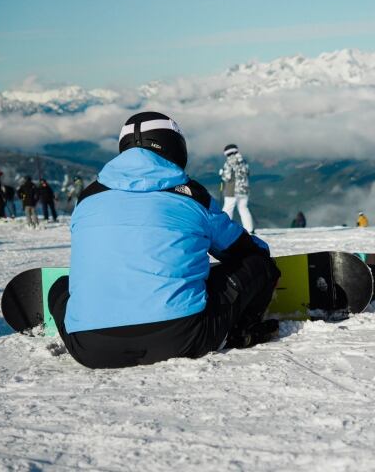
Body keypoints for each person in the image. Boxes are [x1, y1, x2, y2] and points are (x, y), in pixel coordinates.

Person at [47, 111, 281, 369]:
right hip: (183, 336)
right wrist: (262, 261)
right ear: (175, 147)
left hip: (91, 347)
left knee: (60, 286)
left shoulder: (87, 198)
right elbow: (240, 249)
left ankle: (89, 310)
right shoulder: (193, 196)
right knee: (257, 264)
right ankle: (239, 330)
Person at [219, 144, 254, 232]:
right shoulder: (243, 161)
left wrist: (222, 173)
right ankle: (250, 229)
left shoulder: (229, 162)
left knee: (228, 209)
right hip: (244, 190)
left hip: (232, 190)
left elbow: (227, 177)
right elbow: (247, 173)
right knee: (243, 209)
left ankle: (224, 229)